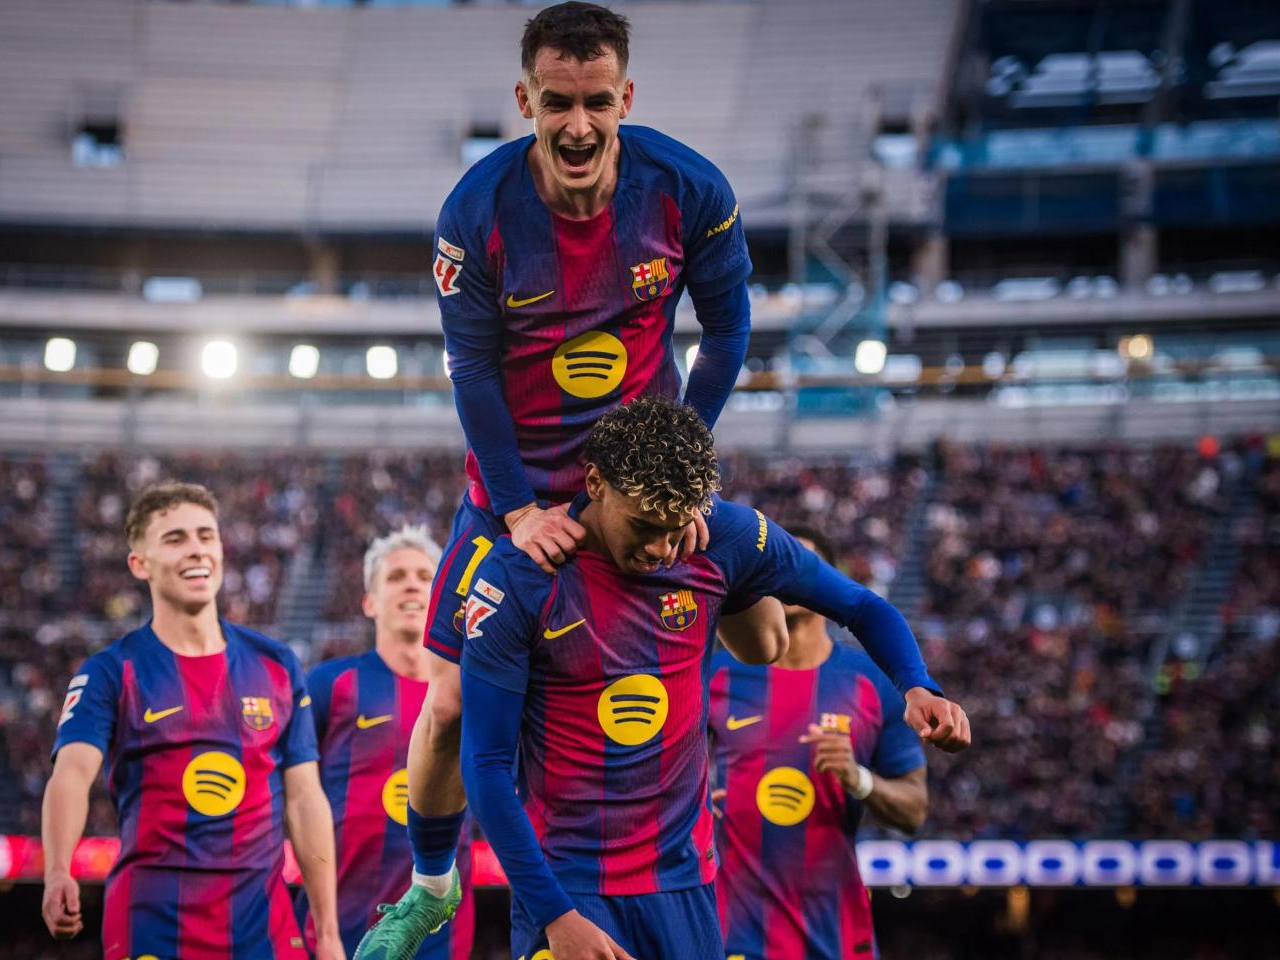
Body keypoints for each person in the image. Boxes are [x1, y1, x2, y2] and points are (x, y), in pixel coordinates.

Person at [360, 5, 791, 953]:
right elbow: (471, 371)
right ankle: (433, 887)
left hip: (639, 490)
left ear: (626, 98)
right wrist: (516, 509)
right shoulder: (475, 214)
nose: (580, 125)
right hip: (513, 490)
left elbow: (729, 333)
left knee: (763, 638)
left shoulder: (689, 190)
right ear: (527, 100)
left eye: (599, 102)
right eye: (558, 103)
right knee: (448, 705)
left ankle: (675, 850)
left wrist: (674, 468)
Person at [456, 399, 970, 960]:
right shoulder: (518, 579)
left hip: (687, 887)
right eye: (645, 526)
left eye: (675, 530)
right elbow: (484, 765)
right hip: (571, 890)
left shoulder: (725, 536)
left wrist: (918, 685)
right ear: (596, 483)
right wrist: (556, 916)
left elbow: (863, 607)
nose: (660, 549)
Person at [40, 482, 345, 960]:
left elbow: (306, 800)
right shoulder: (111, 671)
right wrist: (58, 869)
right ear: (140, 564)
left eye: (206, 535)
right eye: (175, 538)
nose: (197, 549)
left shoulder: (277, 665)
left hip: (262, 923)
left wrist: (326, 932)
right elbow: (72, 775)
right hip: (153, 919)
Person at [709, 527, 930, 960]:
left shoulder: (873, 682)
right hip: (735, 934)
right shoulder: (716, 674)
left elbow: (914, 810)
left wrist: (859, 779)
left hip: (837, 934)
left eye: (798, 567)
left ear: (825, 580)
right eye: (776, 567)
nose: (786, 580)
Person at [300, 526, 474, 959]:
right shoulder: (328, 684)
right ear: (369, 602)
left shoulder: (477, 694)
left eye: (424, 576)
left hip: (445, 936)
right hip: (339, 928)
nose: (412, 584)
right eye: (396, 577)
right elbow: (293, 795)